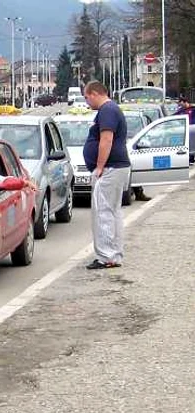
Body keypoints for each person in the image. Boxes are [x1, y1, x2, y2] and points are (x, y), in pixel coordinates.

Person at [82, 80, 132, 270]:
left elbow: (106, 139)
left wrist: (100, 166)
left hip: (110, 167)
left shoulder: (107, 110)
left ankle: (106, 256)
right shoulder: (110, 110)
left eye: (87, 97)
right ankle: (114, 253)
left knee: (103, 212)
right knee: (113, 211)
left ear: (94, 93)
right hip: (116, 167)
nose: (87, 102)